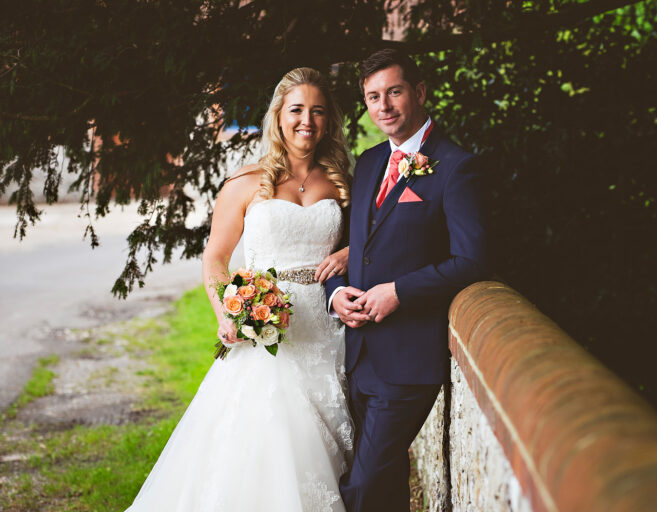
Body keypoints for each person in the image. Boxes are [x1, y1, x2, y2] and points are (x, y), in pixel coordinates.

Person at [126, 67, 354, 511]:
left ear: (329, 121)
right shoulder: (245, 182)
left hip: (327, 333)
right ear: (277, 116)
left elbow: (365, 246)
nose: (307, 120)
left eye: (318, 111)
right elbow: (215, 256)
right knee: (266, 446)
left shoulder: (342, 183)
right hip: (269, 334)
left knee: (328, 452)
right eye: (297, 109)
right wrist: (228, 313)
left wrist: (347, 255)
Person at [326, 48, 488, 512]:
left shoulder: (456, 167)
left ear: (418, 92)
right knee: (385, 488)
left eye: (393, 92)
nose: (384, 106)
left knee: (360, 489)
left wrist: (399, 291)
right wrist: (336, 293)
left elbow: (472, 260)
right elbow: (351, 251)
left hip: (408, 360)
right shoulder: (369, 162)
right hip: (358, 356)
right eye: (373, 97)